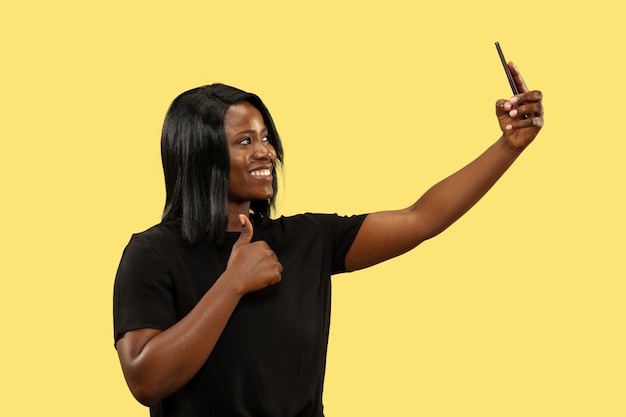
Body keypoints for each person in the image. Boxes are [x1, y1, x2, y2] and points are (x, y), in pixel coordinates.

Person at [113, 62, 543, 417]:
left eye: (266, 138)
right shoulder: (152, 254)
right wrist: (232, 283)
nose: (267, 152)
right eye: (245, 141)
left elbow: (421, 218)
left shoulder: (306, 239)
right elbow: (145, 379)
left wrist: (509, 146)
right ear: (200, 154)